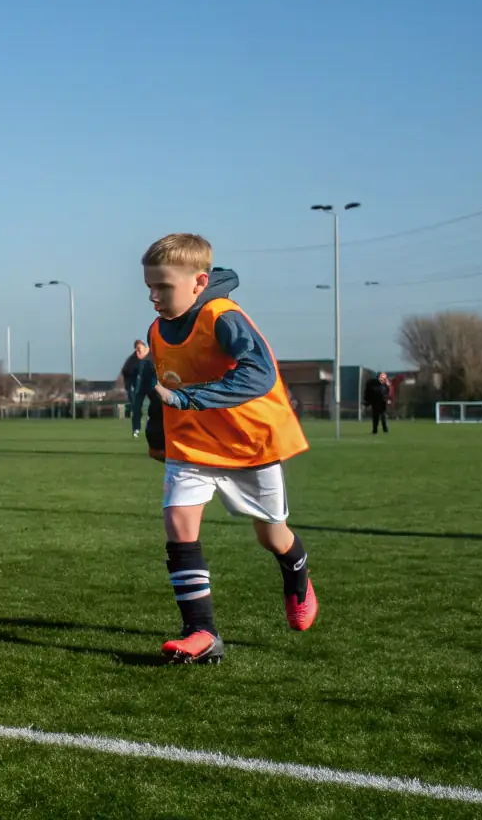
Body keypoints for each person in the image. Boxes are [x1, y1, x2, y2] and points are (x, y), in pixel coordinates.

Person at [141, 233, 317, 666]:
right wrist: (158, 435)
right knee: (179, 526)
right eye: (150, 286)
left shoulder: (224, 317)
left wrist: (188, 399)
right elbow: (162, 385)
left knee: (271, 535)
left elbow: (259, 375)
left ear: (199, 282)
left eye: (163, 287)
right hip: (192, 446)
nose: (154, 296)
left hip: (248, 446)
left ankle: (296, 572)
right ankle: (201, 632)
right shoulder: (156, 329)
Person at [120, 339, 156, 437]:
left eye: (139, 349)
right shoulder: (133, 358)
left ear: (145, 347)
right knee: (136, 407)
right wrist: (129, 386)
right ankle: (136, 429)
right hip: (140, 387)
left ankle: (157, 428)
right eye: (136, 350)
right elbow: (126, 371)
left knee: (157, 406)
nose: (137, 352)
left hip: (152, 386)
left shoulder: (153, 355)